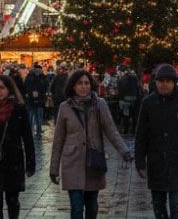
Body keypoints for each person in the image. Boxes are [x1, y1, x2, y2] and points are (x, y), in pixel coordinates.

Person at [51, 70, 132, 219]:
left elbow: (111, 131)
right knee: (76, 208)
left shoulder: (99, 104)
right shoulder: (65, 107)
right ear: (73, 86)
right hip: (72, 162)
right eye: (80, 83)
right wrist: (54, 168)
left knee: (92, 207)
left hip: (93, 161)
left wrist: (124, 151)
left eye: (86, 83)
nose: (84, 87)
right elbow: (58, 140)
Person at [136, 64, 178, 219]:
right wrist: (140, 162)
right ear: (156, 82)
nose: (164, 84)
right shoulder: (148, 103)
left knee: (177, 207)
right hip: (156, 162)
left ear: (174, 83)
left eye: (168, 81)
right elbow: (141, 134)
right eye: (161, 81)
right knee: (159, 207)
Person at [0, 74, 36, 219]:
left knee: (13, 202)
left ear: (9, 89)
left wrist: (30, 164)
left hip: (13, 162)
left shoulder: (19, 110)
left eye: (2, 88)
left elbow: (27, 138)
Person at [115, 65, 141, 133]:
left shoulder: (120, 80)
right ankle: (134, 130)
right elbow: (138, 89)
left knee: (126, 116)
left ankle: (126, 130)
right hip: (135, 99)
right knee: (134, 116)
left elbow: (120, 92)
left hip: (125, 100)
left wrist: (121, 100)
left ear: (122, 72)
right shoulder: (135, 78)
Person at [25, 65, 49, 136]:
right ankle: (35, 130)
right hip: (35, 100)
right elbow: (45, 86)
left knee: (35, 116)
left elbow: (45, 86)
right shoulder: (33, 77)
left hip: (36, 100)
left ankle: (36, 130)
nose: (38, 71)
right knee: (35, 116)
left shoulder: (31, 77)